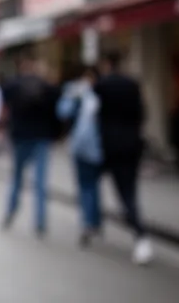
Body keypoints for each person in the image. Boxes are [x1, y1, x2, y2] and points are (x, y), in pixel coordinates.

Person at [95, 51, 153, 265]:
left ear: (106, 64)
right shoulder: (132, 84)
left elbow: (95, 115)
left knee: (123, 194)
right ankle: (131, 230)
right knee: (129, 191)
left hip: (111, 148)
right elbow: (142, 114)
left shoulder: (102, 86)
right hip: (132, 146)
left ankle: (139, 234)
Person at [0, 51, 60, 238]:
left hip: (20, 137)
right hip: (41, 137)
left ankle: (10, 212)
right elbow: (56, 111)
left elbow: (3, 104)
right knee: (40, 182)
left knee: (17, 178)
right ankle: (40, 221)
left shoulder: (13, 85)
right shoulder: (46, 86)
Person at [57, 65, 104, 248]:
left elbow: (63, 112)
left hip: (92, 147)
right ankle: (92, 222)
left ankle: (90, 222)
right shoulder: (78, 97)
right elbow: (63, 112)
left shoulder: (97, 96)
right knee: (89, 185)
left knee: (89, 186)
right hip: (85, 148)